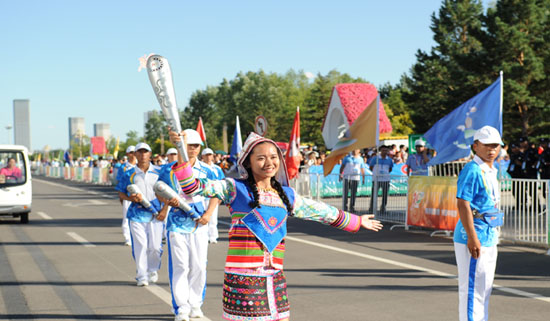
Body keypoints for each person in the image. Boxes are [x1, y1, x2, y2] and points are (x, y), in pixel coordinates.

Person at [169, 130, 382, 321]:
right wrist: (181, 154)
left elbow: (319, 211)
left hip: (275, 277)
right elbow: (193, 188)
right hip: (244, 279)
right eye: (261, 158)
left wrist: (356, 221)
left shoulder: (286, 195)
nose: (268, 162)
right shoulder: (234, 189)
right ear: (248, 162)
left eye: (273, 157)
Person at [161, 129, 218, 321]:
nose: (193, 149)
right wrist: (168, 200)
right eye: (190, 145)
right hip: (177, 223)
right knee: (180, 266)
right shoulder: (168, 169)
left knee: (199, 266)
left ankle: (195, 304)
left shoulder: (208, 170)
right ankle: (181, 308)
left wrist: (208, 214)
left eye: (196, 146)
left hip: (199, 222)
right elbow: (159, 191)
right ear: (182, 146)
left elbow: (215, 195)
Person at [453, 126, 504, 321]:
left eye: (495, 146)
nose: (492, 150)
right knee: (472, 289)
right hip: (474, 235)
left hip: (489, 235)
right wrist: (472, 237)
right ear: (476, 146)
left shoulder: (491, 169)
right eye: (487, 146)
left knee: (484, 288)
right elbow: (462, 203)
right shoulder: (472, 169)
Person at [115, 142, 167, 287]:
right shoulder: (129, 173)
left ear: (150, 154)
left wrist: (164, 210)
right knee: (141, 245)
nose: (143, 154)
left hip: (156, 214)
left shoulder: (159, 172)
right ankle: (141, 275)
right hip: (137, 214)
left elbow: (169, 193)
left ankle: (152, 270)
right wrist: (130, 198)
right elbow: (121, 192)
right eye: (140, 152)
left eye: (145, 152)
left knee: (155, 247)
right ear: (135, 154)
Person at [201, 147, 226, 244]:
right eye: (206, 155)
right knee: (203, 216)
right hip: (202, 196)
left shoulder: (217, 168)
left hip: (214, 196)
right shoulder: (200, 167)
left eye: (210, 155)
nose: (208, 157)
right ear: (202, 156)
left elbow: (222, 182)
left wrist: (221, 196)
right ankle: (204, 236)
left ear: (213, 156)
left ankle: (213, 236)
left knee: (213, 217)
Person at [116, 146, 138, 246]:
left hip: (141, 197)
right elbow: (120, 182)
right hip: (129, 196)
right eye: (131, 152)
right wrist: (121, 196)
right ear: (127, 154)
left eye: (134, 152)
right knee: (127, 218)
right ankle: (128, 238)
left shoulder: (140, 165)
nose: (133, 154)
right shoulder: (123, 167)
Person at [368, 146, 394, 214]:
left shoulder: (389, 160)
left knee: (385, 195)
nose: (384, 152)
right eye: (383, 150)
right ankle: (372, 208)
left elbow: (390, 169)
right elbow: (371, 167)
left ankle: (383, 209)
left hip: (385, 180)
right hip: (376, 180)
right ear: (380, 151)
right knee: (374, 195)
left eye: (386, 150)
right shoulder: (375, 158)